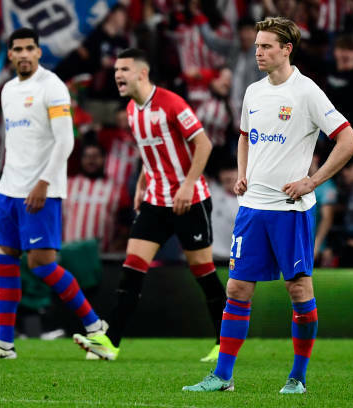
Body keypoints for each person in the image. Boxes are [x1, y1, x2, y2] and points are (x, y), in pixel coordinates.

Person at [183, 17, 353, 394]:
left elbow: (349, 141)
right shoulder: (253, 92)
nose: (258, 52)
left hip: (290, 210)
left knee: (298, 291)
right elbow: (244, 136)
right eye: (257, 46)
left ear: (286, 49)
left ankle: (298, 377)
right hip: (252, 208)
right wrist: (242, 173)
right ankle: (223, 377)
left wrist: (312, 181)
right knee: (236, 290)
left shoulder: (307, 92)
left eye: (266, 46)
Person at [73, 48, 226, 363]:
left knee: (203, 272)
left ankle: (226, 342)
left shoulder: (172, 103)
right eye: (116, 70)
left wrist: (187, 185)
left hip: (190, 200)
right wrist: (143, 182)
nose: (117, 75)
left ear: (142, 73)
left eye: (124, 70)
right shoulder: (132, 109)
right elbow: (151, 151)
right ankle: (110, 343)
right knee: (132, 268)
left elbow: (204, 144)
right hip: (156, 201)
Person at [0, 28, 105, 360]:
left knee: (41, 265)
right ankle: (4, 344)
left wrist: (44, 182)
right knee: (4, 261)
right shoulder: (8, 90)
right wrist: (3, 183)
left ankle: (96, 328)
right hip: (8, 190)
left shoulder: (52, 86)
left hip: (40, 190)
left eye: (30, 48)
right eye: (18, 49)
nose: (24, 54)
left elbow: (65, 140)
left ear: (39, 52)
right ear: (10, 55)